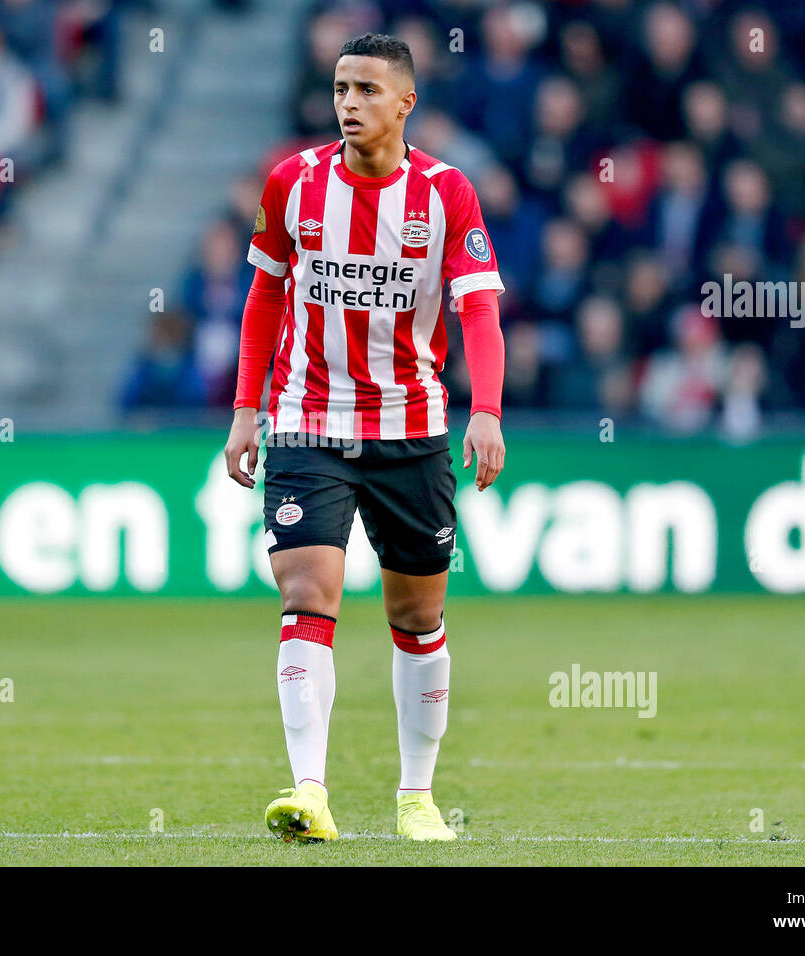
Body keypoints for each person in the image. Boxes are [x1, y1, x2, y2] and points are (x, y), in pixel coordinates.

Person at [223, 33, 506, 844]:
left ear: (406, 103)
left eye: (368, 90)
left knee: (417, 616)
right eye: (342, 87)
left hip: (412, 430)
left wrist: (484, 407)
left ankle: (417, 796)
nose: (349, 103)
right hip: (309, 422)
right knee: (306, 595)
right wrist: (248, 407)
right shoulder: (294, 184)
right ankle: (309, 790)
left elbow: (478, 308)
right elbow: (264, 299)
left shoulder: (447, 195)